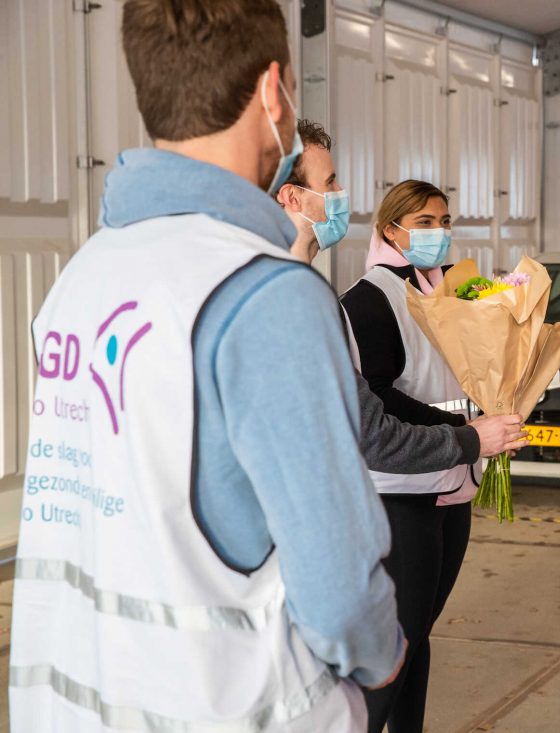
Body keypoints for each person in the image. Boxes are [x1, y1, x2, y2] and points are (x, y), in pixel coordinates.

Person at [9, 1, 404, 730]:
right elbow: (341, 589)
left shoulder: (79, 279)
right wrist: (385, 654)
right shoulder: (269, 297)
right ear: (271, 92)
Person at [341, 180, 525, 733]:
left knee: (417, 638)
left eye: (444, 221)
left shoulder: (445, 292)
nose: (438, 232)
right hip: (399, 493)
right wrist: (463, 428)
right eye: (423, 222)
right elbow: (376, 394)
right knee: (392, 649)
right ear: (389, 229)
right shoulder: (371, 298)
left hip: (451, 484)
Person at [274, 118, 527, 473]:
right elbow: (368, 426)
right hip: (404, 481)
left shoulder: (311, 292)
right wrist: (467, 435)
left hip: (449, 470)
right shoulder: (312, 298)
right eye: (330, 182)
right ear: (292, 197)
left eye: (444, 221)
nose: (341, 191)